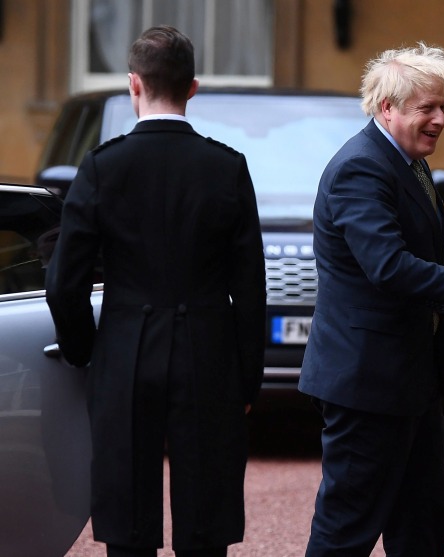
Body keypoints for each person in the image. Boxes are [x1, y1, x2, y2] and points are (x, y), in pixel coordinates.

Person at [45, 26, 266, 557]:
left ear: (133, 85)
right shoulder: (227, 167)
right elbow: (251, 288)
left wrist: (84, 352)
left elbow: (63, 283)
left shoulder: (101, 166)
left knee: (127, 525)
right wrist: (246, 380)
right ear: (193, 87)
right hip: (209, 354)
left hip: (124, 351)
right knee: (205, 525)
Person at [298, 43, 444, 556]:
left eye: (443, 107)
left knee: (422, 524)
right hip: (366, 384)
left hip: (408, 377)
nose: (440, 119)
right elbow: (389, 267)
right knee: (347, 530)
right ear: (387, 108)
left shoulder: (407, 161)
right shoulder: (361, 167)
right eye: (427, 108)